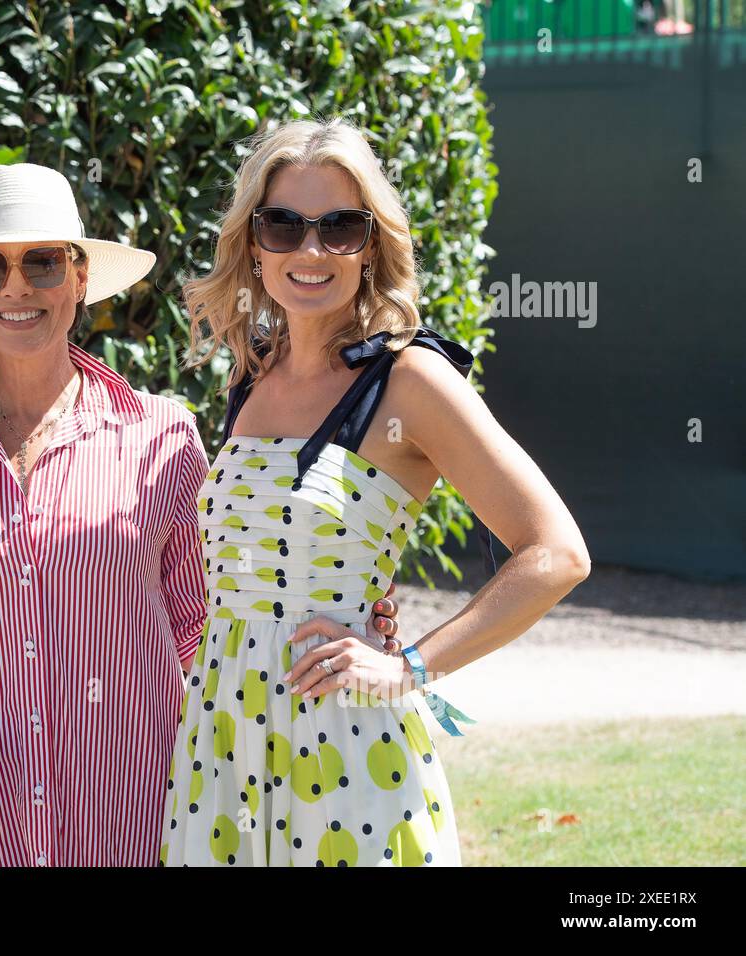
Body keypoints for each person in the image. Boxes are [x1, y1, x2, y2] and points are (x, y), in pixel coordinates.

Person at [0, 162, 403, 866]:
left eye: (43, 262)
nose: (16, 288)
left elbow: (217, 620)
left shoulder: (161, 435)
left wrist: (351, 606)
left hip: (135, 821)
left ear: (80, 278)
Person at [159, 118, 591, 866]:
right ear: (253, 243)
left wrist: (409, 666)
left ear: (371, 245)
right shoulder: (250, 375)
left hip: (345, 745)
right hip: (224, 741)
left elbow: (557, 553)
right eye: (284, 226)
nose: (311, 251)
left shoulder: (411, 381)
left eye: (340, 228)